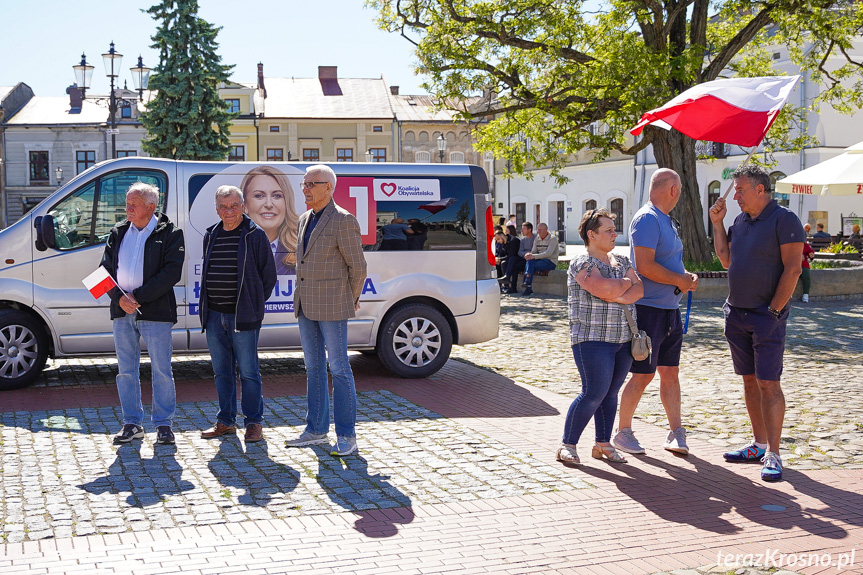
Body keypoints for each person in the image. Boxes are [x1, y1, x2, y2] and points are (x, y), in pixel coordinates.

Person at [709, 164, 804, 482]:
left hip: (767, 317)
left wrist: (775, 311)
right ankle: (758, 445)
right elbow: (725, 259)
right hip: (736, 313)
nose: (734, 195)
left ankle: (774, 454)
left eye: (739, 189)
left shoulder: (784, 219)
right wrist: (717, 224)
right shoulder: (739, 220)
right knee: (749, 381)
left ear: (760, 189)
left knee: (769, 384)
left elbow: (793, 270)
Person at [613, 169, 698, 456]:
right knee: (642, 373)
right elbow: (645, 266)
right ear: (673, 189)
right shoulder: (648, 218)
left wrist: (684, 276)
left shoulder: (664, 220)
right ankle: (623, 431)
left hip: (668, 309)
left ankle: (676, 431)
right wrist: (679, 281)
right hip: (649, 310)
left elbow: (666, 262)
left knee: (670, 373)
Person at [285, 165, 368, 456]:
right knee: (313, 368)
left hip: (333, 305)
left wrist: (350, 297)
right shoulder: (305, 218)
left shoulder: (343, 219)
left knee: (340, 369)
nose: (305, 189)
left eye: (310, 184)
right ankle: (316, 431)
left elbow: (358, 267)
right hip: (306, 304)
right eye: (304, 184)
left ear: (328, 188)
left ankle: (346, 435)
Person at [556, 208, 644, 465]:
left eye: (614, 229)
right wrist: (617, 287)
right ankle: (567, 445)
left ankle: (603, 444)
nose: (614, 234)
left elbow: (639, 290)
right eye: (608, 230)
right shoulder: (582, 263)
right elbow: (603, 287)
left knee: (611, 393)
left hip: (623, 339)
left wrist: (616, 290)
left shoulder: (623, 261)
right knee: (593, 392)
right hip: (592, 339)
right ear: (591, 234)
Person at [100, 182, 185, 445]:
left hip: (156, 312)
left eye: (133, 205)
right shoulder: (117, 232)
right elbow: (100, 273)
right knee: (126, 371)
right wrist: (119, 298)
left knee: (161, 370)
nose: (127, 210)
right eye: (126, 204)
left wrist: (138, 298)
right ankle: (131, 423)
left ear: (151, 207)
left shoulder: (171, 233)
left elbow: (171, 273)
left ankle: (163, 425)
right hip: (122, 312)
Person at [199, 186, 276, 443]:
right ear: (217, 209)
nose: (228, 211)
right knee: (221, 371)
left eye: (233, 205)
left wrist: (251, 304)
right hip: (214, 316)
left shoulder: (255, 235)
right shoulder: (211, 234)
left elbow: (268, 276)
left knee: (248, 372)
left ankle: (253, 423)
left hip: (242, 317)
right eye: (223, 206)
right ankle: (226, 421)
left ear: (243, 206)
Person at [241, 166, 299, 276]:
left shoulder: (304, 248)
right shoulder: (226, 244)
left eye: (277, 195)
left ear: (286, 203)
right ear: (245, 205)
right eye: (259, 196)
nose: (268, 204)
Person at [522, 222, 559, 296]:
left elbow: (548, 253)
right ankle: (528, 284)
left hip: (550, 261)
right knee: (530, 261)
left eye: (540, 230)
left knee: (530, 265)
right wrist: (529, 255)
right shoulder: (537, 238)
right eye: (538, 230)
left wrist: (534, 256)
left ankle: (527, 284)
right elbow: (533, 251)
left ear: (546, 230)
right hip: (539, 260)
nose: (538, 231)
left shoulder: (553, 239)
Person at [503, 222, 535, 294]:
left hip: (531, 259)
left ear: (529, 230)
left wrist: (529, 254)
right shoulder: (523, 240)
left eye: (523, 229)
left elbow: (535, 250)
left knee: (515, 265)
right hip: (524, 258)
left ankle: (511, 283)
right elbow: (520, 252)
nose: (521, 231)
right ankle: (509, 282)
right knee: (512, 259)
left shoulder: (535, 238)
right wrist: (525, 254)